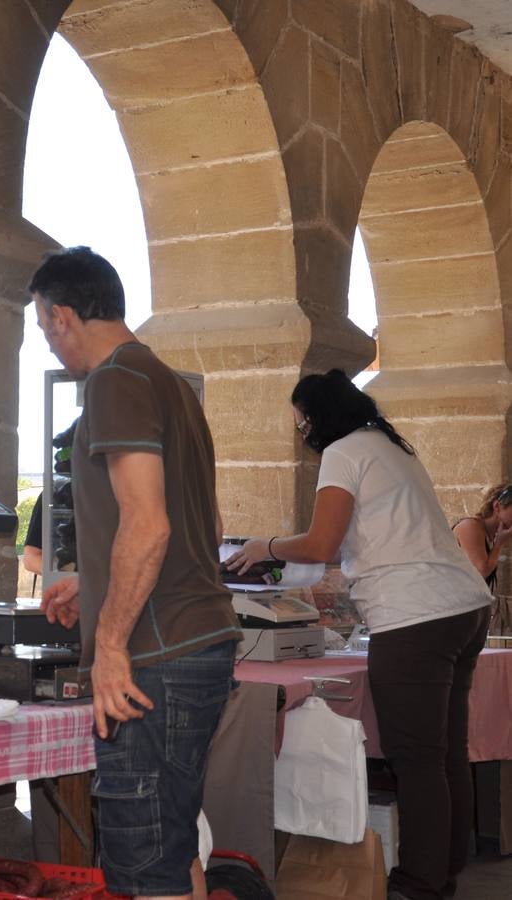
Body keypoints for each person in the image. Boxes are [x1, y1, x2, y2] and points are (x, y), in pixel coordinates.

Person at [226, 369, 492, 900]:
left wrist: (266, 547)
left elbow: (323, 542)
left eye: (303, 421)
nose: (303, 433)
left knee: (415, 758)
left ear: (321, 416)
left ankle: (419, 884)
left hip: (415, 615)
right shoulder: (392, 447)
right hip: (464, 608)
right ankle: (446, 869)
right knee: (446, 753)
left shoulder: (344, 451)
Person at [31, 247, 239, 900]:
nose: (50, 343)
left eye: (44, 329)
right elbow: (199, 531)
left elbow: (148, 526)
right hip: (194, 644)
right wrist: (96, 588)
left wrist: (111, 643)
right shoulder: (168, 382)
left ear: (62, 315)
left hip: (157, 654)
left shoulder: (113, 380)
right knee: (171, 851)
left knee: (145, 865)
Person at [452, 483, 512, 591]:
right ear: (497, 507)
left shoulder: (488, 534)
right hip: (453, 604)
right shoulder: (470, 526)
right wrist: (498, 543)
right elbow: (482, 571)